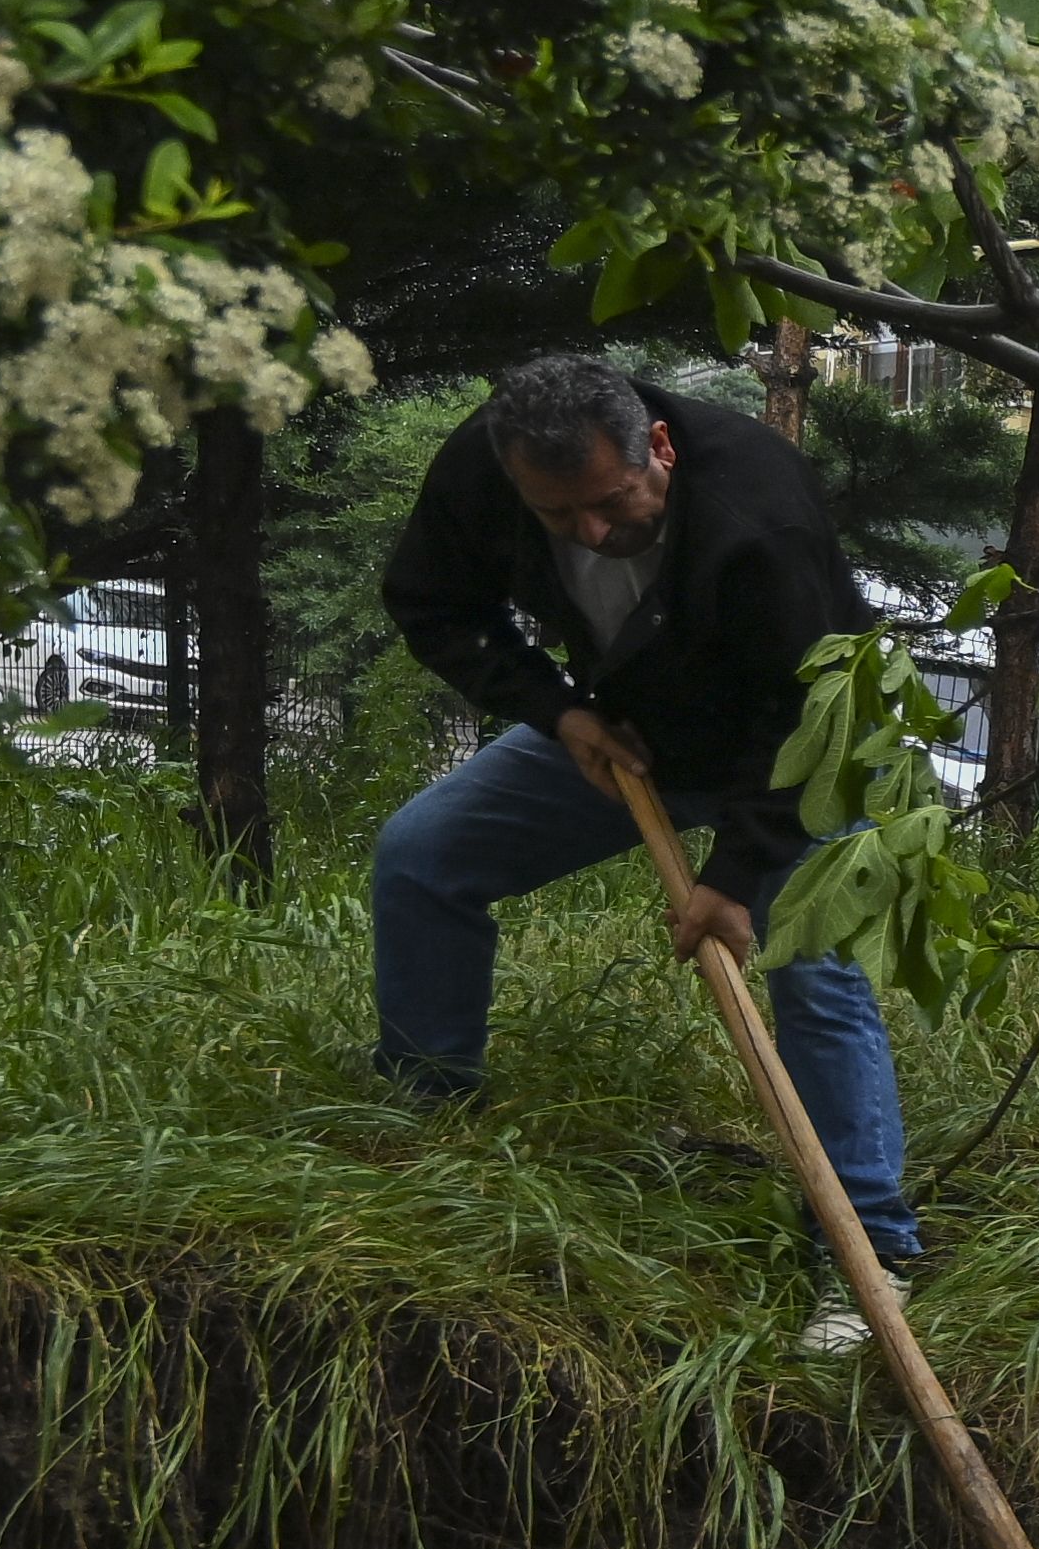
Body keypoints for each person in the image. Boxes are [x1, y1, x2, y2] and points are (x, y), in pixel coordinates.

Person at [367, 352, 922, 1287]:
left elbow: (809, 714)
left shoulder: (758, 509)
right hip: (624, 737)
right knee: (422, 856)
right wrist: (558, 711)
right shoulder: (486, 466)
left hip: (794, 756)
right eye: (557, 516)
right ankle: (426, 1122)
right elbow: (431, 603)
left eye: (610, 502)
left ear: (659, 447)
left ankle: (868, 1243)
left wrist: (733, 880)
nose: (590, 532)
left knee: (812, 969)